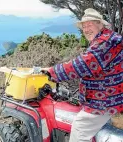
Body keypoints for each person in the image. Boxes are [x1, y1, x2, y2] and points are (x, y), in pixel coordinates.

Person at [42, 8, 123, 142]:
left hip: (105, 100)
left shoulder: (105, 42)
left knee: (79, 129)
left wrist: (52, 72)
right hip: (109, 95)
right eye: (84, 26)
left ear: (100, 24)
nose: (86, 29)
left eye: (89, 25)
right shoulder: (106, 38)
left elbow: (82, 64)